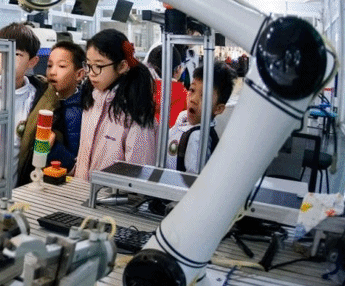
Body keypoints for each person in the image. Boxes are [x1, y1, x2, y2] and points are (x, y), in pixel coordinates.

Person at [72, 30, 159, 182]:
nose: (91, 73)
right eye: (89, 65)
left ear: (122, 66)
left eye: (98, 66)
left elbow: (138, 177)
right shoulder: (91, 102)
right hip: (83, 193)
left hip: (112, 196)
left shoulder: (136, 115)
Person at [0, 23, 47, 186]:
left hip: (22, 188)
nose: (8, 58)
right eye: (3, 52)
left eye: (17, 54)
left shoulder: (42, 100)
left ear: (32, 61)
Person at [18, 40, 84, 182]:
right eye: (49, 65)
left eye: (62, 66)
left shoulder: (75, 113)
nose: (52, 72)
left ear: (79, 74)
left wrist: (54, 147)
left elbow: (75, 162)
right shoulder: (44, 100)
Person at [165, 61, 236, 174]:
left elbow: (193, 178)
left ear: (218, 108)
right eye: (192, 90)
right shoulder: (183, 119)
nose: (193, 99)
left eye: (204, 96)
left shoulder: (198, 138)